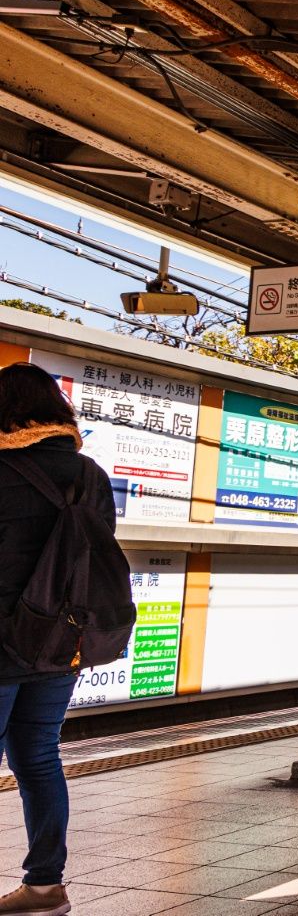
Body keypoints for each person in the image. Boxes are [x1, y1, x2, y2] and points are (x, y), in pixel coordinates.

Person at [0, 362, 116, 916]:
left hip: (1, 641)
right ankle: (45, 886)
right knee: (39, 757)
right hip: (60, 641)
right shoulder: (89, 474)